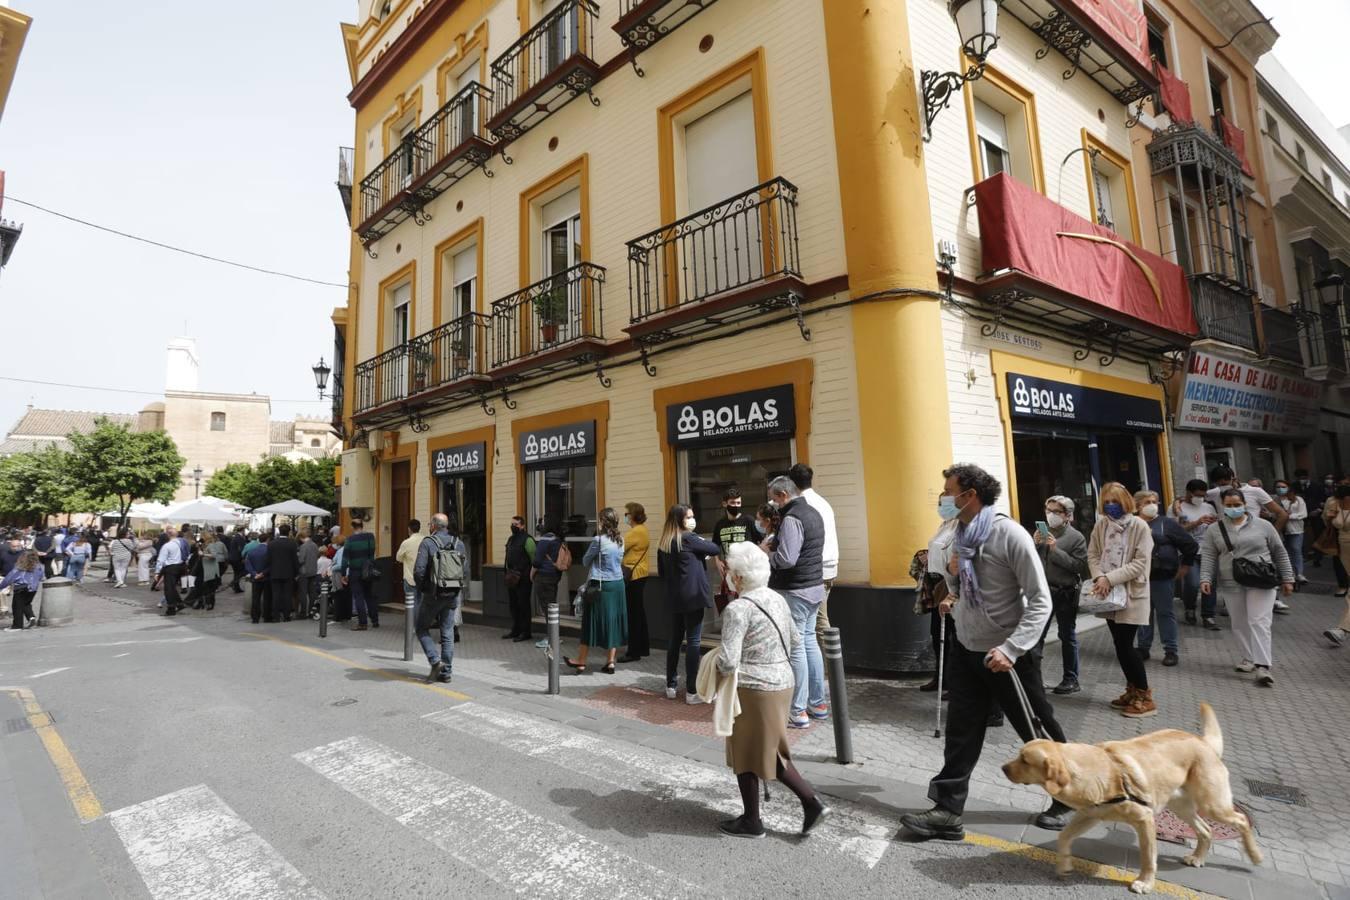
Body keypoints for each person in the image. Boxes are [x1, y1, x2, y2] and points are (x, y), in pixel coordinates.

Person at [901, 464, 1070, 841]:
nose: (943, 499)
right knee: (961, 733)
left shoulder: (1008, 534)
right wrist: (954, 595)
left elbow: (1041, 602)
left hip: (1009, 655)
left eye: (948, 492)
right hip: (967, 649)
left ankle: (1069, 797)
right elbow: (966, 586)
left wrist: (1011, 648)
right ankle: (947, 811)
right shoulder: (958, 536)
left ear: (970, 495)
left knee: (1036, 730)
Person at [715, 542, 830, 839]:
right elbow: (794, 641)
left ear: (738, 577)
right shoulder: (777, 599)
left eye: (730, 571)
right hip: (783, 683)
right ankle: (805, 805)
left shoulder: (737, 609)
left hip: (753, 688)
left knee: (745, 751)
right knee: (768, 750)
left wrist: (709, 669)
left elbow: (728, 662)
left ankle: (758, 819)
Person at [1200, 488, 1294, 686]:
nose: (1234, 508)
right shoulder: (1214, 529)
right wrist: (1205, 579)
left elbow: (1279, 552)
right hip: (1231, 582)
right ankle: (1248, 657)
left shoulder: (1264, 525)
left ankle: (1263, 666)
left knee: (1259, 621)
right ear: (1222, 506)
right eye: (1229, 505)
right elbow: (1208, 556)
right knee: (1239, 623)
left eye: (1237, 505)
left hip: (1262, 580)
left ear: (1244, 504)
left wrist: (1288, 578)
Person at [1086, 483, 1156, 717]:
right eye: (1106, 502)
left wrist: (1110, 578)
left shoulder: (1139, 526)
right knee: (1119, 644)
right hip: (1108, 595)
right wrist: (1099, 577)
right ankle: (1132, 689)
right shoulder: (1101, 525)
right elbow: (1093, 554)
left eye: (1114, 501)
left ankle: (1145, 696)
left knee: (1126, 646)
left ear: (1125, 501)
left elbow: (1140, 562)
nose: (1110, 506)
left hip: (1131, 594)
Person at [765, 476, 828, 728]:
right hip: (814, 586)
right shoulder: (814, 511)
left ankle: (798, 711)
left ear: (782, 494)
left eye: (773, 497)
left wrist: (766, 554)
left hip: (795, 590)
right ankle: (818, 703)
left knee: (797, 647)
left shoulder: (792, 518)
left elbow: (787, 558)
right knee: (810, 642)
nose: (772, 503)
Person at [656, 503, 720, 704]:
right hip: (693, 597)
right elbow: (715, 548)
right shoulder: (690, 539)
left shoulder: (664, 542)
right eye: (688, 517)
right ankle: (692, 691)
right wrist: (700, 543)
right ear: (679, 520)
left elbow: (662, 572)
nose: (692, 520)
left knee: (675, 640)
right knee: (693, 641)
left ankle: (671, 685)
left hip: (674, 597)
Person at [1034, 495, 1089, 694]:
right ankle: (1034, 679)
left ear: (1067, 515)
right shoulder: (1042, 533)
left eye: (1056, 512)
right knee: (1037, 635)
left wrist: (1055, 550)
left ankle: (1071, 679)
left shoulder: (1076, 537)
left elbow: (1079, 566)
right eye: (1048, 511)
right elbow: (1034, 562)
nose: (1051, 515)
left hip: (1066, 591)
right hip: (1044, 591)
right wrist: (1035, 545)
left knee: (1067, 635)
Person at [1135, 490, 1197, 668]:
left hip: (1162, 577)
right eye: (1147, 502)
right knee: (1142, 614)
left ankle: (1170, 650)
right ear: (1138, 505)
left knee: (1165, 613)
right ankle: (1143, 647)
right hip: (1138, 577)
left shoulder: (1166, 524)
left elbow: (1190, 545)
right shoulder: (1131, 523)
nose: (1152, 505)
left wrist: (1185, 567)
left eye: (1155, 501)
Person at [565, 508, 628, 674]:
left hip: (600, 585)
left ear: (602, 522)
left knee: (590, 622)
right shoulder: (621, 540)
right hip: (618, 584)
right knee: (613, 621)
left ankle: (581, 661)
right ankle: (610, 662)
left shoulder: (598, 540)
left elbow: (585, 561)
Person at [788, 464, 839, 636]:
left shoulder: (803, 506)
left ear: (791, 483)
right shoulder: (823, 502)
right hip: (829, 567)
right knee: (816, 624)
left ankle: (828, 663)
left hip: (815, 570)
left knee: (819, 624)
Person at [413, 514, 464, 684]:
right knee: (447, 633)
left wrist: (426, 590)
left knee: (421, 628)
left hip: (433, 594)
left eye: (430, 524)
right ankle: (446, 673)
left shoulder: (428, 542)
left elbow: (419, 571)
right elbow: (465, 571)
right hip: (452, 595)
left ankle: (435, 661)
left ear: (434, 526)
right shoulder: (459, 543)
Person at [1174, 479, 1220, 629]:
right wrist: (1197, 523)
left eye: (1203, 495)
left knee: (1210, 584)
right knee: (1193, 584)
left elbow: (1218, 528)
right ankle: (1190, 608)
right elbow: (1177, 531)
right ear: (1189, 493)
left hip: (1209, 550)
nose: (1200, 498)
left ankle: (1208, 616)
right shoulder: (1178, 508)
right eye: (1197, 495)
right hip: (1189, 551)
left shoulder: (1208, 507)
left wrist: (1214, 523)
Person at [618, 502, 652, 663]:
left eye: (626, 514)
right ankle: (644, 648)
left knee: (633, 615)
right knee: (640, 613)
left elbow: (619, 549)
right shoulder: (643, 530)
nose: (625, 516)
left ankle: (633, 652)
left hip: (633, 575)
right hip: (642, 573)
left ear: (632, 515)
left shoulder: (635, 532)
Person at [1207, 466, 1288, 533]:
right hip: (1228, 537)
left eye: (1225, 483)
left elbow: (1282, 514)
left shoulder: (1255, 491)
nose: (1222, 487)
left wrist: (1272, 535)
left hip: (1254, 535)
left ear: (1234, 479)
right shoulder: (1214, 493)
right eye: (1219, 484)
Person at [712, 488, 757, 604]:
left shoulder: (748, 521)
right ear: (724, 504)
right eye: (732, 503)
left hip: (747, 571)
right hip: (730, 571)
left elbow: (761, 541)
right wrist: (717, 561)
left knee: (748, 602)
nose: (736, 506)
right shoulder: (720, 524)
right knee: (734, 603)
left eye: (738, 503)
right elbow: (715, 544)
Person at [530, 521, 566, 649]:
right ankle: (555, 636)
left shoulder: (546, 538)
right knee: (552, 606)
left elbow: (538, 560)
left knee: (547, 608)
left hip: (543, 576)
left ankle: (551, 638)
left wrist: (532, 573)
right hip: (554, 576)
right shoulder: (558, 539)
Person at [338, 518, 378, 630]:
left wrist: (343, 574)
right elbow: (372, 553)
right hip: (368, 570)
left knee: (358, 597)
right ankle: (375, 621)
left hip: (355, 571)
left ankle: (363, 623)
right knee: (369, 595)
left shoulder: (349, 540)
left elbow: (345, 559)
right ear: (362, 525)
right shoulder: (370, 537)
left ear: (352, 526)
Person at [503, 515, 536, 642]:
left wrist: (530, 574)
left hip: (523, 578)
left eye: (516, 524)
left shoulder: (528, 540)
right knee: (513, 604)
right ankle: (515, 630)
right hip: (511, 577)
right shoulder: (511, 539)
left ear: (522, 526)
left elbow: (534, 558)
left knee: (523, 605)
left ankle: (525, 632)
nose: (513, 526)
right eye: (512, 524)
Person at [1274, 479, 1307, 594]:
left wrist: (1288, 516)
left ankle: (1299, 573)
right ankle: (1288, 575)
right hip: (1280, 531)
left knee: (1295, 550)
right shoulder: (1273, 500)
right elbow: (1270, 513)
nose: (1280, 489)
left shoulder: (1297, 499)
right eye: (1278, 487)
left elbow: (1303, 514)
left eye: (1283, 486)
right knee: (1283, 553)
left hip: (1295, 530)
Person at [1, 550, 42, 631]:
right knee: (26, 604)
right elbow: (40, 576)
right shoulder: (38, 566)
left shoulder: (19, 568)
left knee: (17, 607)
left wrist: (1, 586)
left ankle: (17, 625)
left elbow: (8, 579)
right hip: (33, 589)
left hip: (21, 589)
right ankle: (31, 619)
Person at [267, 524, 301, 622]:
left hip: (275, 572)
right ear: (289, 532)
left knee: (276, 595)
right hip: (288, 573)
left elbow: (268, 559)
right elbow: (295, 560)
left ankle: (276, 616)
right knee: (287, 595)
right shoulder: (292, 543)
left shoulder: (272, 543)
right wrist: (297, 572)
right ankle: (287, 616)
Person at [395, 519, 423, 625]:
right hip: (423, 577)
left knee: (411, 603)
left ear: (409, 529)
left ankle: (413, 625)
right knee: (421, 601)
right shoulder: (425, 540)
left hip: (410, 577)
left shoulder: (406, 542)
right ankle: (422, 624)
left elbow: (398, 558)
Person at [156, 527, 186, 616]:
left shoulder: (167, 545)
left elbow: (161, 559)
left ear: (167, 535)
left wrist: (157, 572)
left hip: (170, 567)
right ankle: (180, 604)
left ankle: (171, 608)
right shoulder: (182, 543)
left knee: (168, 588)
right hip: (180, 566)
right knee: (172, 587)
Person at [245, 531, 272, 623]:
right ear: (268, 540)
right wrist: (263, 573)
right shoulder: (269, 551)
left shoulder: (252, 551)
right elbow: (271, 565)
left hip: (255, 578)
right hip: (267, 577)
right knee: (267, 598)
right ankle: (267, 616)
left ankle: (255, 617)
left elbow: (248, 564)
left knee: (255, 598)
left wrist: (254, 574)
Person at [199, 530, 227, 610]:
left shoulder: (211, 545)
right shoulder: (205, 545)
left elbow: (214, 555)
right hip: (207, 569)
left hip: (211, 570)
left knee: (210, 588)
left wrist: (203, 554)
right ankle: (207, 603)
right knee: (206, 588)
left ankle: (210, 603)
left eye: (202, 537)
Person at [297, 531, 321, 619]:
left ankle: (303, 613)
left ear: (301, 538)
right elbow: (317, 556)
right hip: (313, 571)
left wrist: (298, 556)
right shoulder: (315, 545)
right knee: (312, 593)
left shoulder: (303, 546)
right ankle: (312, 611)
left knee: (303, 593)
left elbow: (301, 560)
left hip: (304, 572)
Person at [226, 527, 248, 593]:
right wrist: (243, 557)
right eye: (244, 531)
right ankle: (233, 583)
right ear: (242, 530)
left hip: (232, 558)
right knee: (243, 571)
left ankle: (236, 587)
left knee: (237, 572)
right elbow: (241, 549)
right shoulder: (239, 538)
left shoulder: (235, 537)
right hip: (237, 558)